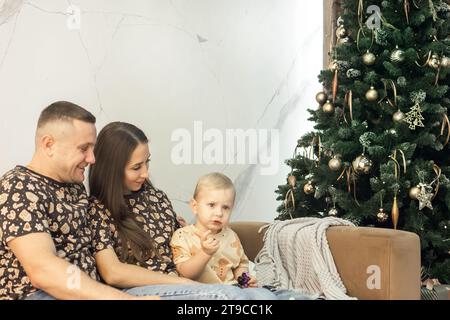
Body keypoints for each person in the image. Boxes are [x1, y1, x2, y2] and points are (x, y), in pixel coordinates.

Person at [88, 122, 279, 299]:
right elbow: (113, 273)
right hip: (146, 288)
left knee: (273, 294)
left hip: (184, 282)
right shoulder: (98, 210)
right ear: (112, 169)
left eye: (147, 162)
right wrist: (182, 282)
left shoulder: (156, 197)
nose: (145, 173)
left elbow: (182, 243)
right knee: (228, 297)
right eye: (136, 167)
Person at [0, 101, 158, 300]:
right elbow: (44, 271)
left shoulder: (75, 186)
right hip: (41, 294)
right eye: (84, 148)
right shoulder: (19, 186)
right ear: (49, 145)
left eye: (93, 148)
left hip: (90, 292)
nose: (92, 158)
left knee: (205, 298)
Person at [170, 172, 256, 288]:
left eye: (225, 207)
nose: (219, 213)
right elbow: (185, 273)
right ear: (195, 206)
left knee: (266, 293)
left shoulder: (231, 236)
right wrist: (205, 253)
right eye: (211, 205)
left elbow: (240, 264)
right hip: (202, 292)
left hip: (234, 289)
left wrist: (245, 279)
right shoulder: (182, 236)